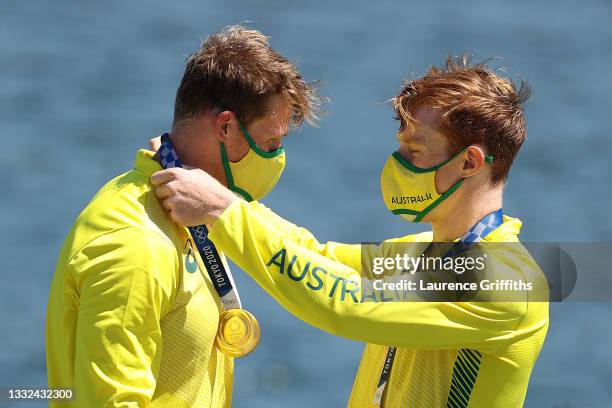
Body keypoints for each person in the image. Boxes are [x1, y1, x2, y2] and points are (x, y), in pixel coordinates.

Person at [149, 56, 549, 407]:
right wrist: (213, 194)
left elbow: (343, 303)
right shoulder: (422, 250)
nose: (397, 163)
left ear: (469, 163)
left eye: (415, 151)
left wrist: (222, 212)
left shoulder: (508, 281)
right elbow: (314, 253)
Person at [46, 25, 320, 407]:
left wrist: (427, 274)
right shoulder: (134, 241)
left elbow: (314, 255)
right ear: (225, 126)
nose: (276, 158)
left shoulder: (196, 213)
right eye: (271, 143)